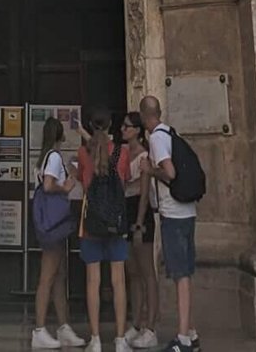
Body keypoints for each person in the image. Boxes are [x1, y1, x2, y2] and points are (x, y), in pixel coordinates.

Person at [141, 95, 197, 352]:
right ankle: (192, 333)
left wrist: (149, 169)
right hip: (188, 212)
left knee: (180, 275)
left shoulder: (156, 138)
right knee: (183, 272)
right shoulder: (170, 133)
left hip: (173, 214)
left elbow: (170, 173)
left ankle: (183, 338)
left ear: (144, 115)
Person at [78, 111, 130, 352]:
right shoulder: (123, 152)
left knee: (93, 281)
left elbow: (83, 181)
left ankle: (96, 339)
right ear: (111, 125)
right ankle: (120, 338)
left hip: (92, 224)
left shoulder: (83, 153)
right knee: (118, 281)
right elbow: (125, 180)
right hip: (115, 223)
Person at [31, 114, 83, 350]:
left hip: (51, 223)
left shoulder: (43, 157)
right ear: (60, 136)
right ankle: (40, 329)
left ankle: (63, 327)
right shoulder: (53, 157)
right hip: (55, 223)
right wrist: (67, 187)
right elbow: (49, 185)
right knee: (48, 276)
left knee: (59, 275)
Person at [119, 111, 159, 349]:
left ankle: (151, 325)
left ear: (136, 130)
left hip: (139, 212)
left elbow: (143, 192)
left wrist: (139, 223)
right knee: (132, 270)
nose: (122, 129)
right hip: (126, 208)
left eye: (126, 126)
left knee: (147, 272)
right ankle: (135, 321)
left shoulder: (144, 156)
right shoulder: (123, 153)